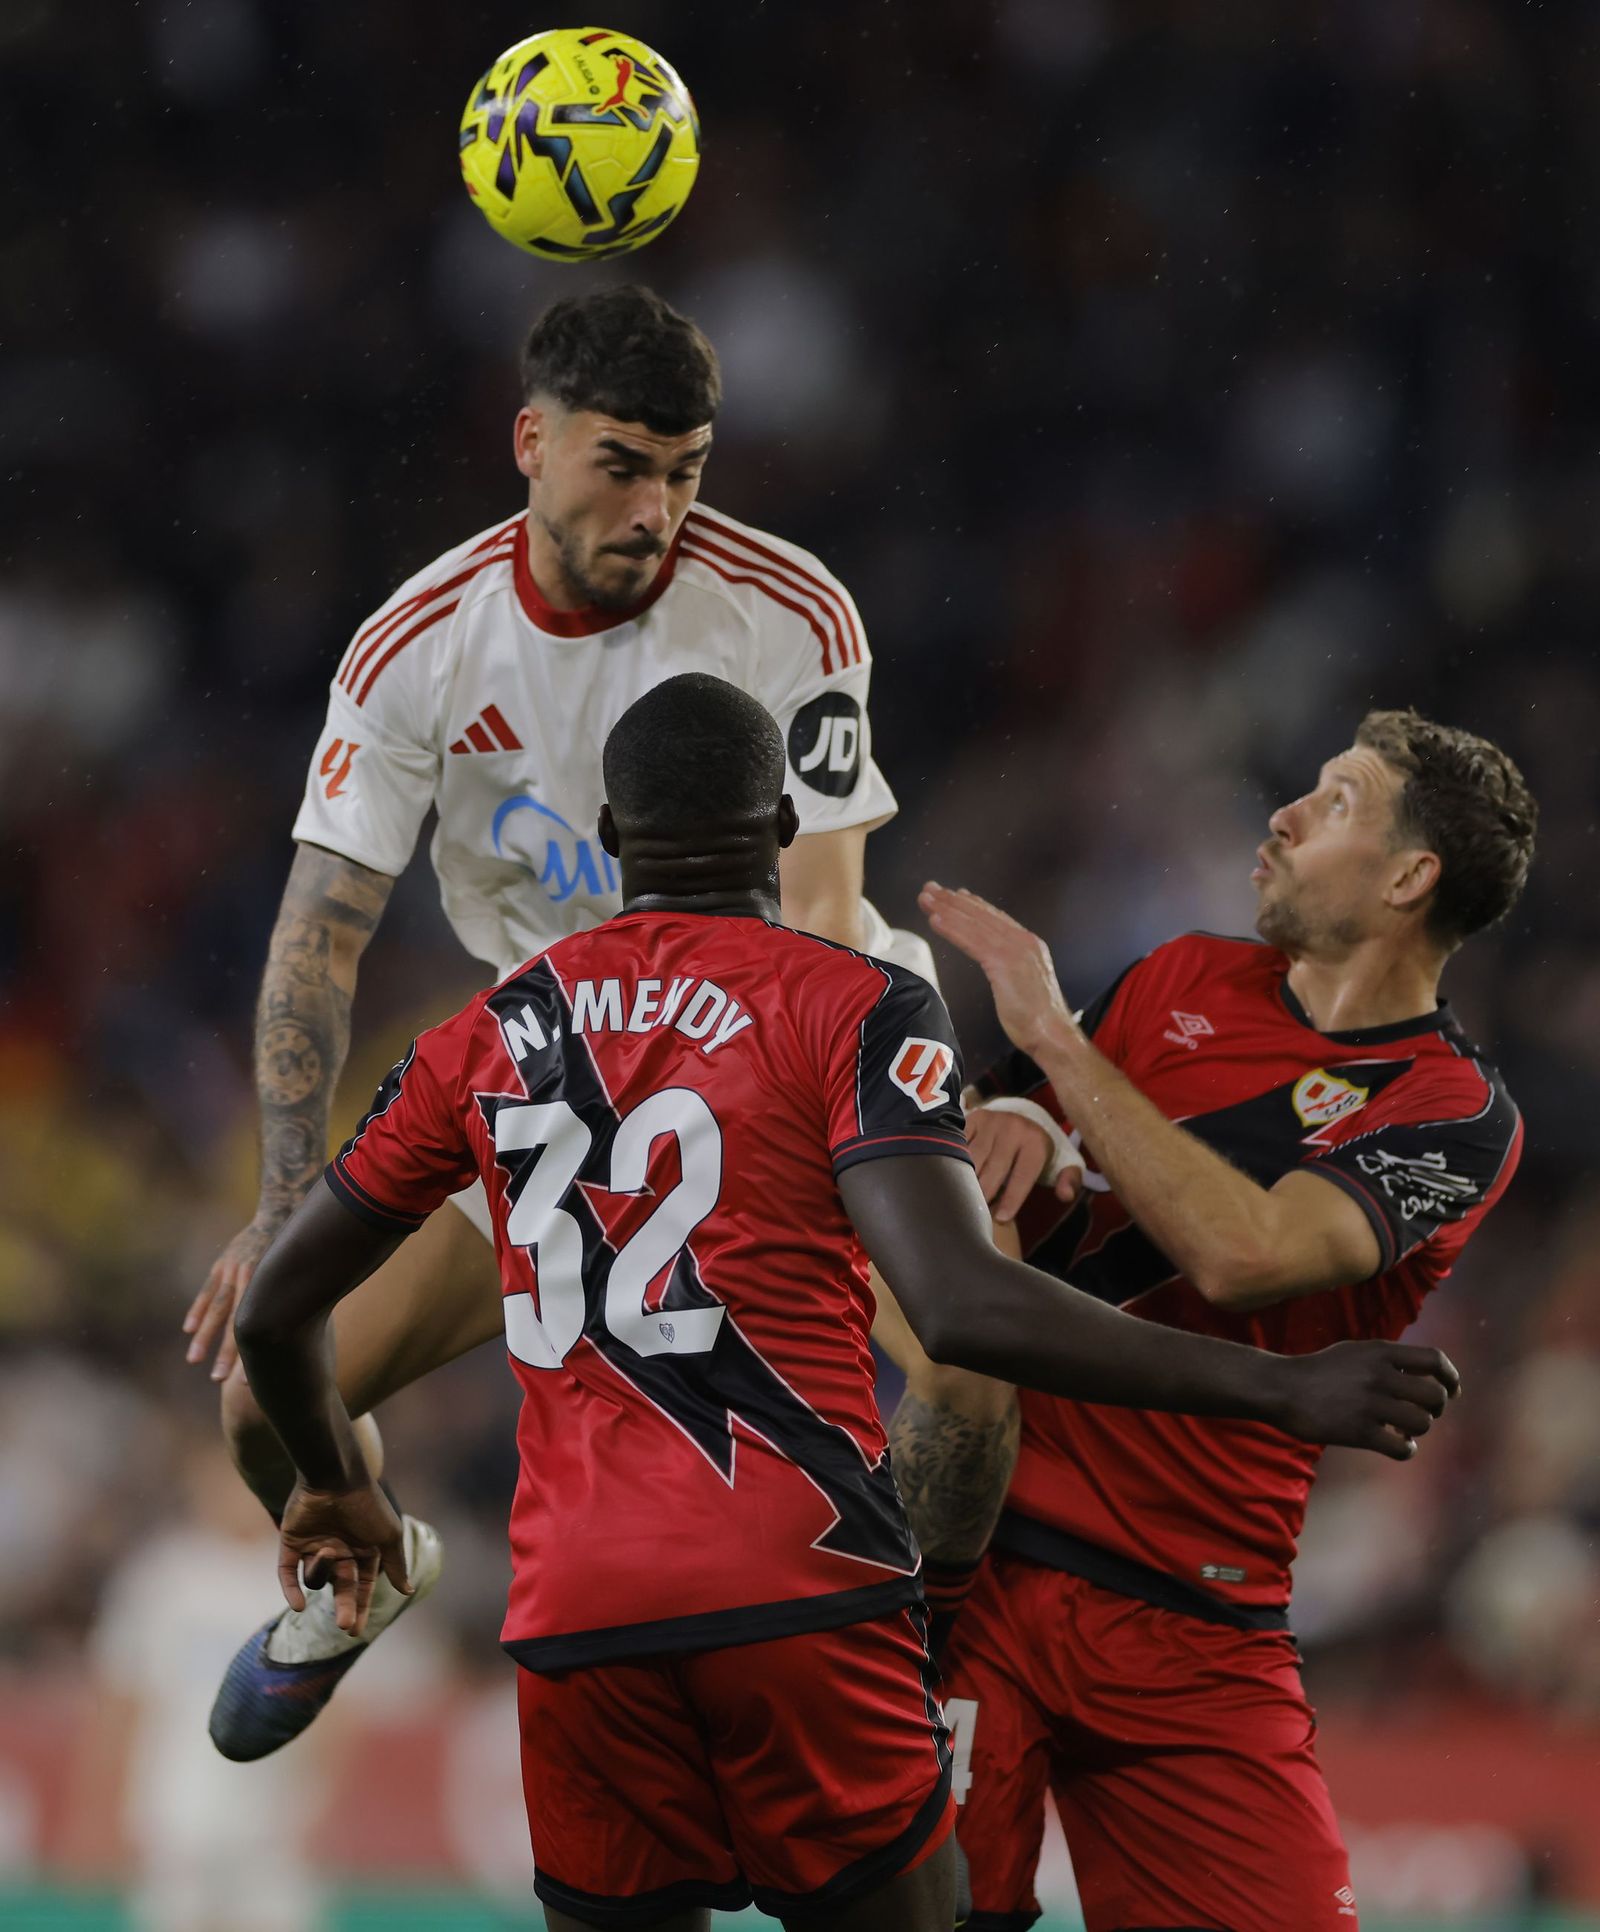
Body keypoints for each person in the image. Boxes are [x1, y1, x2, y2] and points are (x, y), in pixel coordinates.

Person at [230, 675, 1460, 1932]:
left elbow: (274, 1314)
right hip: (803, 1582)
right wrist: (1280, 1384)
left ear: (608, 840)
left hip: (575, 1610)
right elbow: (964, 1310)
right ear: (779, 830)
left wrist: (340, 1485)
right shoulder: (854, 1003)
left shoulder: (484, 1031)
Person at [188, 284, 934, 1759]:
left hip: (782, 1051)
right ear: (530, 442)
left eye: (687, 468)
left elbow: (832, 911)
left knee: (967, 1362)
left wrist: (816, 1132)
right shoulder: (416, 644)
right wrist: (284, 1200)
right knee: (264, 1409)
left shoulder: (788, 610)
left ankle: (940, 1657)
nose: (659, 505)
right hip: (557, 1082)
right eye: (623, 464)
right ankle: (375, 1560)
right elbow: (317, 938)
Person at [881, 708, 1537, 1932]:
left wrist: (1058, 1047)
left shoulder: (1450, 1111)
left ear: (1409, 877)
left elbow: (1249, 1256)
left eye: (1336, 802)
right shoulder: (1179, 974)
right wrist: (1009, 1108)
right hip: (985, 1587)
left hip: (1201, 1628)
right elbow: (981, 1180)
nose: (1283, 816)